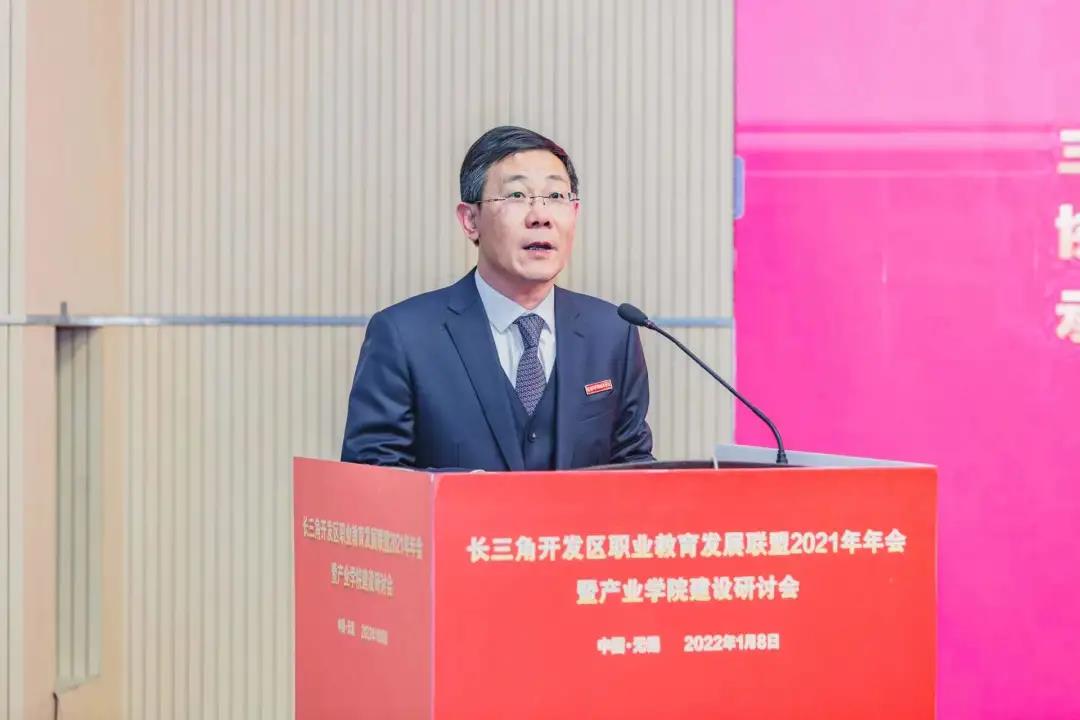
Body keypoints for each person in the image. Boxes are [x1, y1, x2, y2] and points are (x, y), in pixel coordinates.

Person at [341, 125, 653, 470]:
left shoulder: (612, 332)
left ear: (574, 213)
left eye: (555, 196)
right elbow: (374, 478)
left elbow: (634, 468)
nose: (540, 216)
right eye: (516, 195)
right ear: (470, 220)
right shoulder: (405, 335)